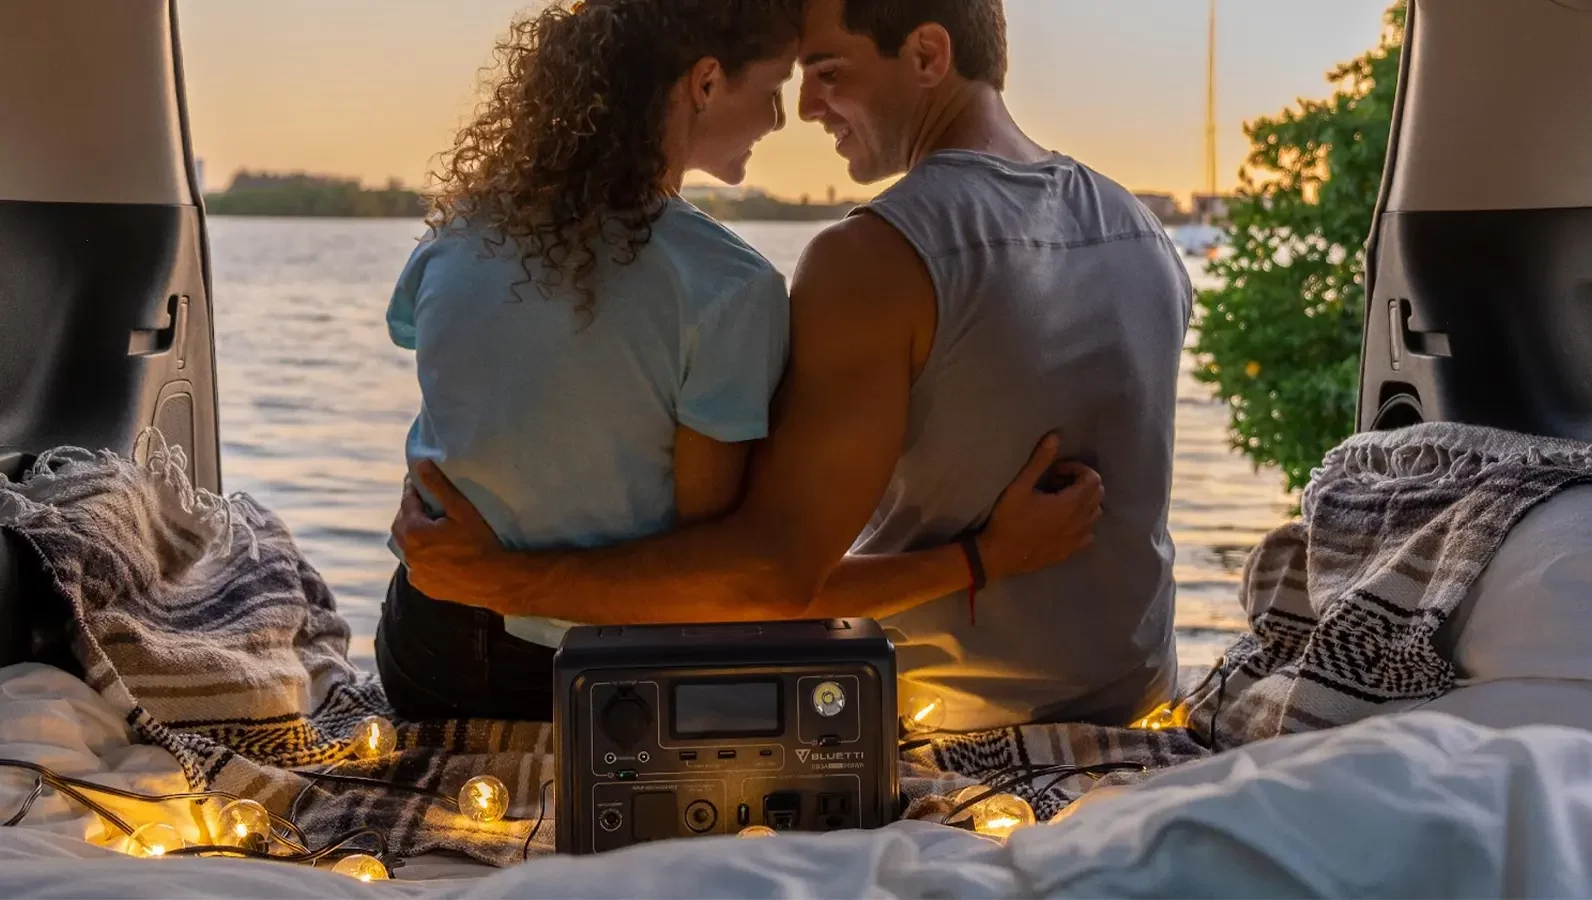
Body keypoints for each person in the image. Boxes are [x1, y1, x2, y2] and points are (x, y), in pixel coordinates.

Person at [377, 0, 1105, 724]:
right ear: (704, 84)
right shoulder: (727, 287)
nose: (783, 119)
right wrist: (983, 557)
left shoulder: (454, 240)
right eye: (773, 88)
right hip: (590, 686)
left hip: (420, 648)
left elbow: (462, 385)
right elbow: (738, 583)